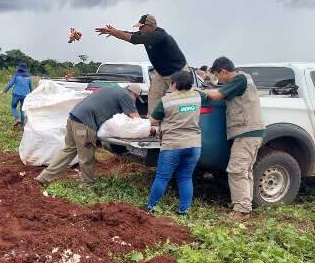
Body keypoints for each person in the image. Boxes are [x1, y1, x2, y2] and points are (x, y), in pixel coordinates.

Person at [36, 83, 142, 186]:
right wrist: (149, 127)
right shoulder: (125, 95)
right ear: (133, 94)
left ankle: (43, 178)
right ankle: (87, 184)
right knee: (87, 156)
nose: (135, 101)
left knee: (68, 150)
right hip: (84, 125)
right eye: (136, 98)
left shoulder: (112, 89)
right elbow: (136, 119)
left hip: (73, 118)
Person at [203, 56, 266, 219]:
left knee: (236, 170)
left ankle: (242, 211)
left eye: (217, 76)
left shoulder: (239, 79)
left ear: (223, 71)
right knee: (245, 171)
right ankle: (244, 206)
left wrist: (199, 91)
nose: (218, 80)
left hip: (247, 132)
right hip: (250, 132)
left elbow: (216, 96)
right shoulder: (242, 79)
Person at [95, 14, 188, 115]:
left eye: (142, 26)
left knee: (181, 100)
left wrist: (115, 32)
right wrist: (114, 32)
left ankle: (182, 123)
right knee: (153, 95)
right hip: (161, 73)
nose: (140, 28)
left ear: (150, 26)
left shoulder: (159, 36)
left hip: (178, 72)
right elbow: (131, 34)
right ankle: (153, 123)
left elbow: (135, 39)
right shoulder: (145, 34)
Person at [146, 70, 205, 215]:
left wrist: (149, 119)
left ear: (174, 84)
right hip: (194, 145)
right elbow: (205, 93)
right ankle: (184, 210)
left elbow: (153, 121)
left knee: (162, 177)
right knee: (185, 177)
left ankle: (150, 207)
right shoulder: (197, 96)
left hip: (172, 145)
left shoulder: (167, 101)